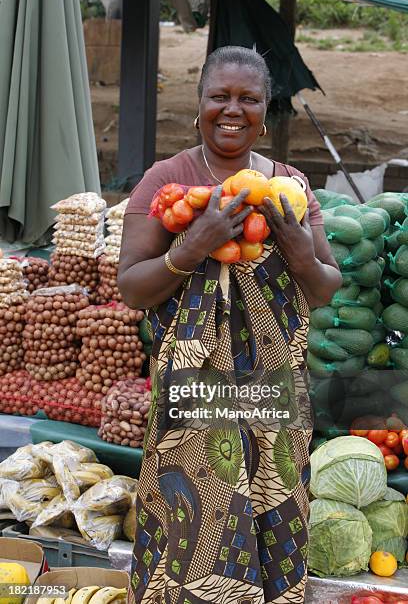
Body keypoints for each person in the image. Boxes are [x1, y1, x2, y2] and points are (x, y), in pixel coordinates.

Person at [118, 46, 342, 604]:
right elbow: (131, 286)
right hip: (196, 383)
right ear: (199, 105)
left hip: (269, 382)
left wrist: (299, 252)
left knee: (272, 507)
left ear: (267, 111)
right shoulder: (169, 178)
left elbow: (323, 287)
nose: (232, 110)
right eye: (220, 96)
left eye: (248, 98)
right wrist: (191, 246)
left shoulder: (290, 185)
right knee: (197, 521)